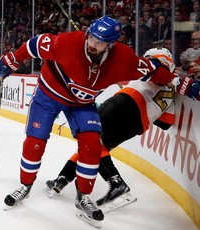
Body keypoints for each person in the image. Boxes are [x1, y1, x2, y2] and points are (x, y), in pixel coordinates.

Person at [0, 16, 175, 225]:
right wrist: (12, 60)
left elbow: (153, 70)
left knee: (91, 145)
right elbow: (35, 44)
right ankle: (25, 187)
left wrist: (180, 82)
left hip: (82, 103)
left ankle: (83, 197)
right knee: (35, 142)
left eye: (100, 43)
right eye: (92, 38)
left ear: (111, 45)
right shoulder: (66, 42)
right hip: (48, 97)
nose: (93, 45)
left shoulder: (123, 58)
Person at [45, 48, 200, 212]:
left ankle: (116, 183)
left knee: (89, 139)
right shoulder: (172, 91)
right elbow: (165, 123)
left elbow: (155, 66)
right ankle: (62, 180)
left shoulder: (162, 69)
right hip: (137, 125)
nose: (145, 62)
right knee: (95, 147)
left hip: (126, 102)